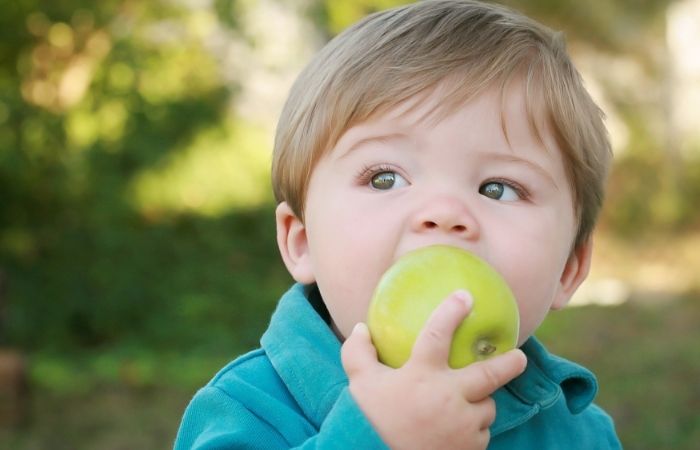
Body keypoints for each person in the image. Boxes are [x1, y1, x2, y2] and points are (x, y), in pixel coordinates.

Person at [174, 1, 622, 448]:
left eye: (498, 188)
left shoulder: (579, 433)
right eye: (385, 179)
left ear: (568, 267)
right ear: (302, 241)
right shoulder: (247, 412)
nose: (444, 213)